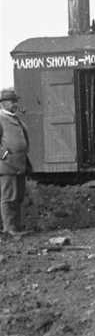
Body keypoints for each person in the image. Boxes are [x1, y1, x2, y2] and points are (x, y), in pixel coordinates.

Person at [0, 88, 29, 237]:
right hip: (7, 166)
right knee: (8, 197)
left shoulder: (16, 118)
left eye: (16, 101)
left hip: (19, 165)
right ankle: (9, 229)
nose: (15, 104)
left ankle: (16, 228)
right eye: (12, 101)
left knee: (18, 196)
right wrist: (4, 156)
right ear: (4, 103)